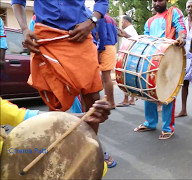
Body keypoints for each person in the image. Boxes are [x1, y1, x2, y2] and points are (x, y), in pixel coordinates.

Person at [11, 0, 109, 133]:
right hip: (46, 37)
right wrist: (24, 29)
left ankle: (91, 147)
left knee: (92, 97)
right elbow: (17, 1)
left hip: (80, 34)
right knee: (53, 98)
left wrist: (92, 21)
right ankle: (58, 147)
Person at [0, 96, 110, 176]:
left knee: (86, 165)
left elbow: (24, 116)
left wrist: (83, 117)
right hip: (11, 163)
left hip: (15, 158)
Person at [133, 0, 186, 140]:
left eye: (160, 0)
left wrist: (181, 37)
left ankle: (168, 127)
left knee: (168, 93)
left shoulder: (174, 12)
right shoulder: (149, 21)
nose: (157, 2)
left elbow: (181, 27)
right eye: (154, 0)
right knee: (148, 91)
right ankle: (150, 123)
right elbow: (146, 40)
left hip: (170, 60)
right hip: (152, 60)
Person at [175, 0, 192, 121]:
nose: (190, 9)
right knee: (184, 84)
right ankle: (183, 109)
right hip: (183, 57)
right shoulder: (182, 23)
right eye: (188, 7)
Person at [97, 12, 118, 110]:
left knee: (106, 76)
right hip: (111, 47)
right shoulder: (112, 20)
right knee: (106, 76)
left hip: (105, 47)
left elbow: (102, 35)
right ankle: (109, 101)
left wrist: (99, 50)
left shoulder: (101, 18)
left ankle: (110, 102)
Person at [116, 15, 139, 107]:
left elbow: (133, 40)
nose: (121, 24)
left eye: (122, 22)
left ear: (126, 22)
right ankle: (131, 99)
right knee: (129, 78)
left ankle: (126, 100)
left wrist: (124, 34)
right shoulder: (131, 30)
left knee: (125, 78)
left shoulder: (129, 30)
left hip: (128, 57)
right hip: (130, 57)